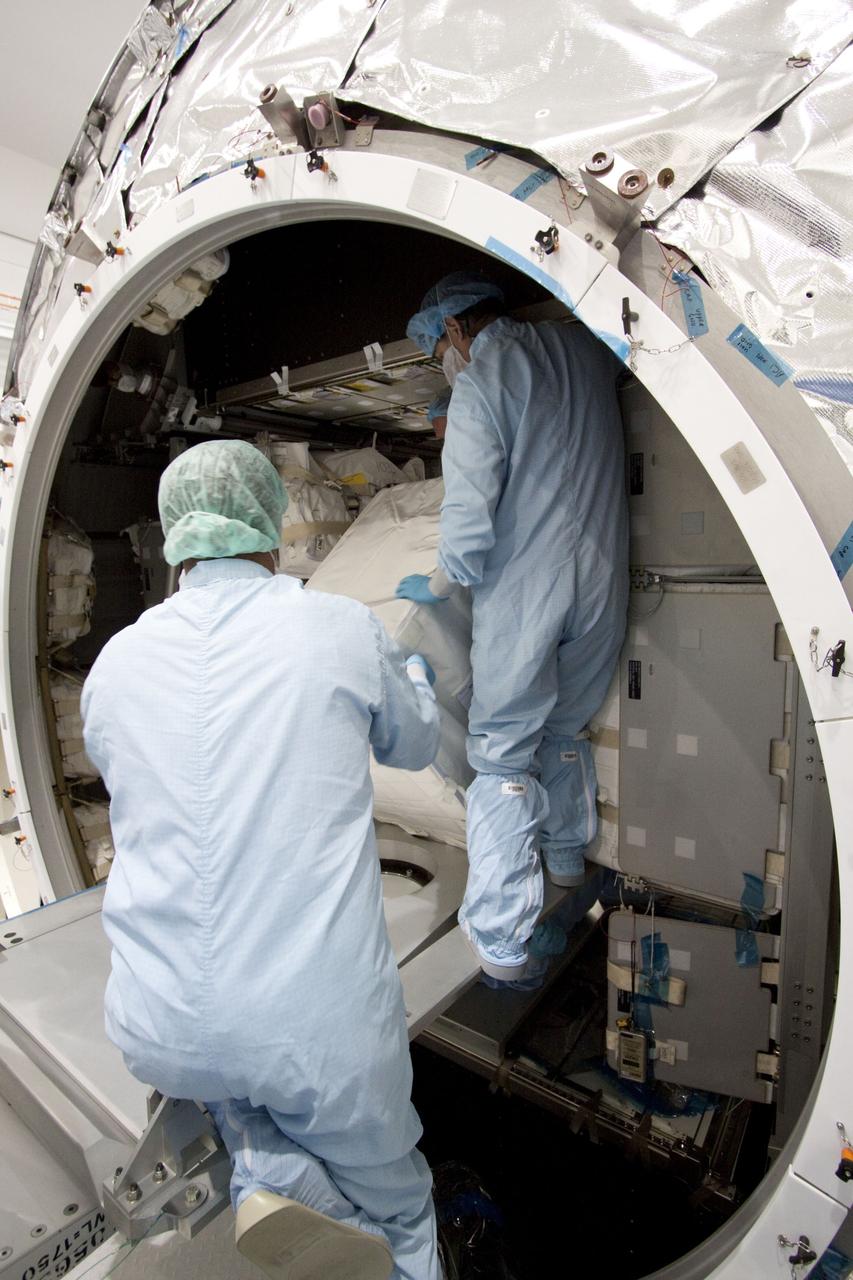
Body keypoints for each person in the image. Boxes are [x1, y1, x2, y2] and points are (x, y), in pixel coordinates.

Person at [82, 439, 443, 1280]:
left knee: (235, 1078)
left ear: (176, 542)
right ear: (268, 531)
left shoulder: (115, 665)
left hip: (156, 1021)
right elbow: (414, 740)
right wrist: (415, 670)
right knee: (397, 1203)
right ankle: (340, 1211)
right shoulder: (338, 626)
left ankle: (270, 1168)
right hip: (313, 1034)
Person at [397, 272, 628, 983]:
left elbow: (468, 517)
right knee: (563, 729)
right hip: (602, 575)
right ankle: (565, 858)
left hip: (527, 592)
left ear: (457, 329)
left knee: (500, 757)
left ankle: (501, 940)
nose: (445, 358)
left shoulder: (482, 378)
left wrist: (436, 586)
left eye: (439, 345)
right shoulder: (585, 352)